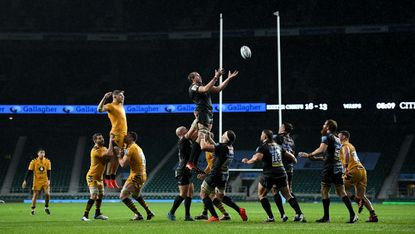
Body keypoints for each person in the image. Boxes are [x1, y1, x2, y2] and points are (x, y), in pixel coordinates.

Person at [299, 120, 358, 223]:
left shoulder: (326, 136)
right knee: (341, 191)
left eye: (325, 124)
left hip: (329, 168)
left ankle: (326, 217)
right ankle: (353, 215)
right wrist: (315, 158)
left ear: (328, 127)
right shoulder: (338, 139)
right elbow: (329, 155)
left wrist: (309, 154)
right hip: (338, 167)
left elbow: (322, 149)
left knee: (324, 191)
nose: (323, 125)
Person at [242, 130, 305, 223]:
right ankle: (299, 214)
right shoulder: (279, 146)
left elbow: (257, 158)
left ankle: (271, 217)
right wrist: (294, 161)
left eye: (262, 134)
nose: (261, 136)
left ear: (265, 137)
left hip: (269, 174)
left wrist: (248, 161)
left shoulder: (262, 147)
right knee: (288, 195)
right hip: (281, 172)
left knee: (262, 195)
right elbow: (292, 158)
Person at [185, 68, 239, 172]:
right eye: (197, 75)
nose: (199, 76)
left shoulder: (203, 85)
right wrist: (216, 77)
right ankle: (190, 162)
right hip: (203, 112)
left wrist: (228, 78)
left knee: (200, 137)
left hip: (208, 112)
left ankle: (192, 162)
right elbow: (205, 89)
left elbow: (218, 89)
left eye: (199, 74)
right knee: (202, 135)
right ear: (192, 79)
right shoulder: (193, 87)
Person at [199, 130, 248, 222]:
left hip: (216, 174)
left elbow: (203, 147)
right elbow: (218, 148)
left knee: (203, 194)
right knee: (220, 197)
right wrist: (209, 138)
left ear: (226, 138)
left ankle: (214, 216)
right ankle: (240, 210)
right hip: (224, 175)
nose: (221, 135)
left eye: (223, 134)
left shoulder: (222, 147)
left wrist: (202, 137)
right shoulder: (230, 147)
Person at [338, 130, 378, 222]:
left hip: (353, 170)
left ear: (344, 137)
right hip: (362, 171)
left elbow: (347, 153)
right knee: (362, 196)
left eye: (339, 135)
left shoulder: (345, 145)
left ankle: (357, 200)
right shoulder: (351, 145)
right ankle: (373, 215)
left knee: (339, 189)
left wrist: (345, 168)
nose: (337, 137)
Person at [118, 131, 154, 221]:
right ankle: (149, 212)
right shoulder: (135, 147)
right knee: (135, 195)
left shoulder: (131, 149)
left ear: (131, 138)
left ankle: (138, 215)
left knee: (123, 196)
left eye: (126, 136)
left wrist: (118, 156)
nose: (124, 137)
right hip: (142, 174)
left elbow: (123, 164)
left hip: (136, 175)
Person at [195, 133, 231, 221]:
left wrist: (207, 174)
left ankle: (224, 214)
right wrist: (204, 173)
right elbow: (210, 164)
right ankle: (205, 213)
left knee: (210, 196)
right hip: (214, 173)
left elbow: (214, 164)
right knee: (208, 195)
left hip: (215, 174)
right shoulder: (210, 148)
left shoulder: (211, 149)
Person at [97, 90, 127, 188]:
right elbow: (99, 109)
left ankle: (113, 178)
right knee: (112, 159)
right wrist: (105, 97)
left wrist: (122, 94)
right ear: (114, 96)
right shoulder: (110, 105)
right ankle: (107, 179)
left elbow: (122, 99)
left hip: (123, 135)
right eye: (120, 95)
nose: (122, 97)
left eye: (123, 95)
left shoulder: (121, 105)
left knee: (119, 157)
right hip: (116, 135)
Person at [81, 133, 114, 221]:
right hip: (92, 176)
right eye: (100, 138)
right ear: (95, 140)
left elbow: (109, 157)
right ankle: (85, 215)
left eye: (102, 138)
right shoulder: (95, 150)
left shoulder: (103, 148)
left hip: (99, 177)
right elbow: (109, 155)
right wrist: (111, 140)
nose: (102, 139)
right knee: (94, 195)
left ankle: (97, 214)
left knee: (101, 195)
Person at [167, 126, 194, 221]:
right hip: (182, 170)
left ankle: (187, 215)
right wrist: (196, 120)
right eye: (185, 129)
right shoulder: (183, 140)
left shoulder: (187, 141)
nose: (187, 130)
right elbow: (192, 130)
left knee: (190, 193)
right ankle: (171, 212)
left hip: (188, 169)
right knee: (183, 194)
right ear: (181, 133)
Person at [272, 122, 296, 222]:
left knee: (275, 190)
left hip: (280, 168)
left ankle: (283, 215)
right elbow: (293, 153)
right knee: (289, 192)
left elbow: (275, 150)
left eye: (281, 126)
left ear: (284, 129)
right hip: (290, 168)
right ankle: (299, 214)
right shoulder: (291, 140)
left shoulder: (278, 137)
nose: (279, 127)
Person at [22, 149, 51, 215]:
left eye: (43, 153)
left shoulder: (47, 161)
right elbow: (29, 171)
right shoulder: (34, 162)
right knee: (35, 195)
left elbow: (49, 171)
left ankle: (46, 207)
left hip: (45, 180)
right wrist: (25, 180)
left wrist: (49, 180)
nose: (42, 154)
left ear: (45, 154)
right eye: (41, 153)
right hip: (37, 181)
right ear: (38, 154)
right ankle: (33, 209)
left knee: (47, 194)